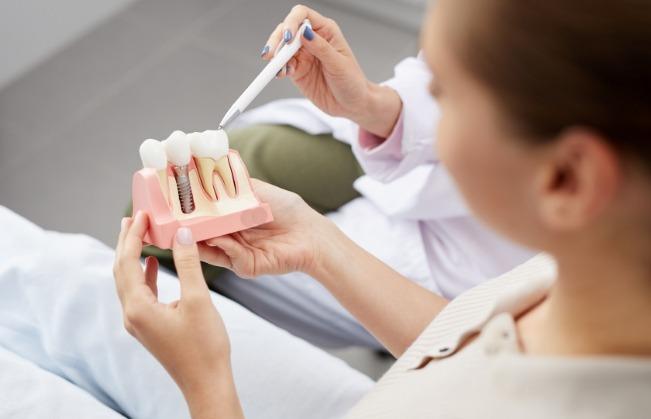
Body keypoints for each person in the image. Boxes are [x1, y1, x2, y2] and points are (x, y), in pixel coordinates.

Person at [114, 1, 651, 418]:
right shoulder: (580, 283)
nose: (426, 108)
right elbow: (464, 342)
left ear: (566, 179)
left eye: (443, 94)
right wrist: (317, 243)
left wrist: (207, 386)